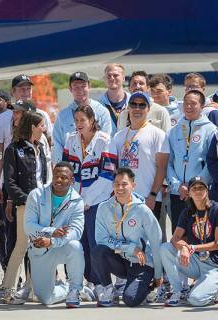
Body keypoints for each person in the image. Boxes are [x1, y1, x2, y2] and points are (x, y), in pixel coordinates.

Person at [0, 111, 51, 304]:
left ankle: (32, 288)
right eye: (41, 126)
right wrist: (25, 199)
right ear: (32, 127)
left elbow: (44, 178)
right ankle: (8, 288)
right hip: (25, 205)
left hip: (43, 204)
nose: (44, 129)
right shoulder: (13, 149)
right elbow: (10, 182)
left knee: (37, 247)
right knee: (21, 246)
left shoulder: (41, 147)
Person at [93, 167, 163, 307]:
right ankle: (108, 290)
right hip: (120, 258)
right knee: (98, 250)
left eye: (124, 184)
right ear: (112, 185)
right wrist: (130, 248)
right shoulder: (103, 208)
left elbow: (156, 243)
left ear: (133, 185)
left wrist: (158, 275)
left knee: (130, 300)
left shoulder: (142, 210)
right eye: (116, 184)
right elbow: (101, 240)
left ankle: (149, 287)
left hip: (141, 262)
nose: (120, 187)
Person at [61, 105, 114, 289]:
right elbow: (67, 173)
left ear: (92, 120)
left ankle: (101, 283)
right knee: (78, 244)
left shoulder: (105, 141)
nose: (78, 124)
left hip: (97, 202)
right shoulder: (70, 140)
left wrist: (88, 200)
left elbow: (107, 177)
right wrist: (74, 199)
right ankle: (85, 282)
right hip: (76, 202)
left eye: (82, 120)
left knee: (94, 244)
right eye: (76, 120)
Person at [23, 162, 87, 307]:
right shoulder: (36, 195)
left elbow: (76, 231)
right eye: (56, 176)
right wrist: (51, 232)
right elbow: (28, 226)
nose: (59, 180)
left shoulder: (77, 201)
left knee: (75, 246)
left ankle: (75, 289)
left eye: (64, 178)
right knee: (46, 299)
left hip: (61, 247)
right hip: (39, 249)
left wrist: (52, 242)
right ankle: (69, 289)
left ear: (72, 181)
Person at [105, 91, 169, 217]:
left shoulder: (158, 135)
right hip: (124, 197)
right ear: (128, 108)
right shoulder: (119, 136)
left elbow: (162, 168)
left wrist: (153, 195)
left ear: (148, 108)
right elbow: (114, 168)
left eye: (142, 105)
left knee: (148, 237)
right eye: (133, 104)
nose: (137, 108)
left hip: (147, 198)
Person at [160, 176, 218, 306]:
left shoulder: (216, 210)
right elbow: (175, 238)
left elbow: (217, 244)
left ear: (207, 190)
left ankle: (211, 288)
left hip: (214, 266)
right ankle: (179, 291)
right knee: (166, 248)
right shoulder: (187, 212)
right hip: (195, 262)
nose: (198, 191)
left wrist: (191, 247)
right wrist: (184, 247)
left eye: (201, 188)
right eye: (194, 188)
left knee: (196, 300)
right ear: (189, 193)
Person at [166, 90, 217, 227]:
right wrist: (177, 185)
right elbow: (168, 162)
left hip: (201, 193)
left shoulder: (211, 130)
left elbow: (211, 162)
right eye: (186, 103)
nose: (188, 107)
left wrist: (194, 186)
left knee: (201, 234)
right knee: (179, 234)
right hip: (178, 193)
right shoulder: (173, 131)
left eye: (193, 104)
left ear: (201, 106)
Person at [52, 72, 113, 161]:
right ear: (70, 89)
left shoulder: (102, 111)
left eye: (83, 86)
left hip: (95, 165)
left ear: (89, 86)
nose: (80, 90)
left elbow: (106, 141)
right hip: (71, 167)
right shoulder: (63, 115)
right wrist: (62, 167)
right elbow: (57, 143)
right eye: (76, 87)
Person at [0, 74, 54, 153]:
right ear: (12, 92)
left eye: (28, 89)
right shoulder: (1, 119)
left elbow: (50, 144)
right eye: (21, 89)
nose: (26, 92)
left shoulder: (42, 115)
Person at [99, 64, 130, 129]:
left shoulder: (133, 102)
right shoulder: (98, 105)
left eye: (115, 75)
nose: (112, 78)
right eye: (109, 76)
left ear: (123, 78)